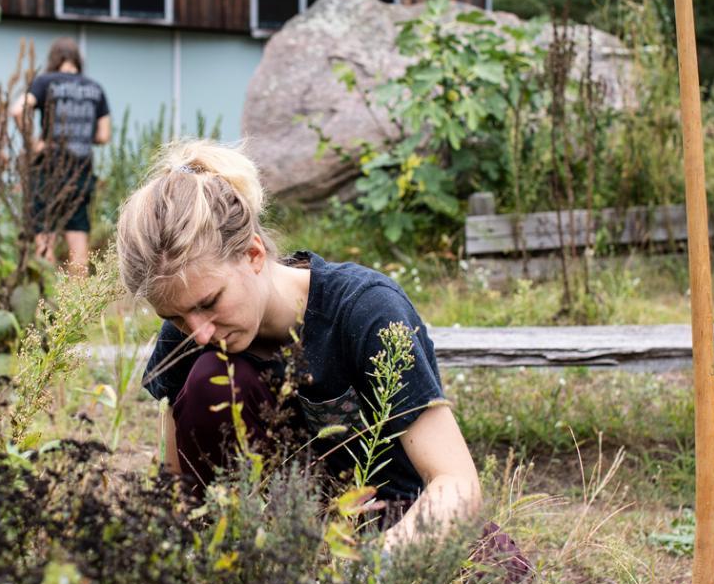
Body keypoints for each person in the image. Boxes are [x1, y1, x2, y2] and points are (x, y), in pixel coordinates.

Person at [116, 139, 483, 551]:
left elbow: (456, 483)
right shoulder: (192, 327)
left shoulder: (365, 311)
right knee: (210, 379)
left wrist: (372, 570)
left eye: (209, 302)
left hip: (398, 525)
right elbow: (175, 483)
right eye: (176, 317)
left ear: (253, 254)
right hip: (277, 539)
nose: (198, 332)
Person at [8, 37, 111, 276]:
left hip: (49, 172)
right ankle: (79, 306)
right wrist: (81, 137)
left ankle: (44, 300)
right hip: (81, 172)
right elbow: (104, 135)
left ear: (54, 59)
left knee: (45, 237)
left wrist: (34, 143)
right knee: (78, 236)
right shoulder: (95, 89)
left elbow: (17, 109)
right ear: (77, 61)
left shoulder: (46, 82)